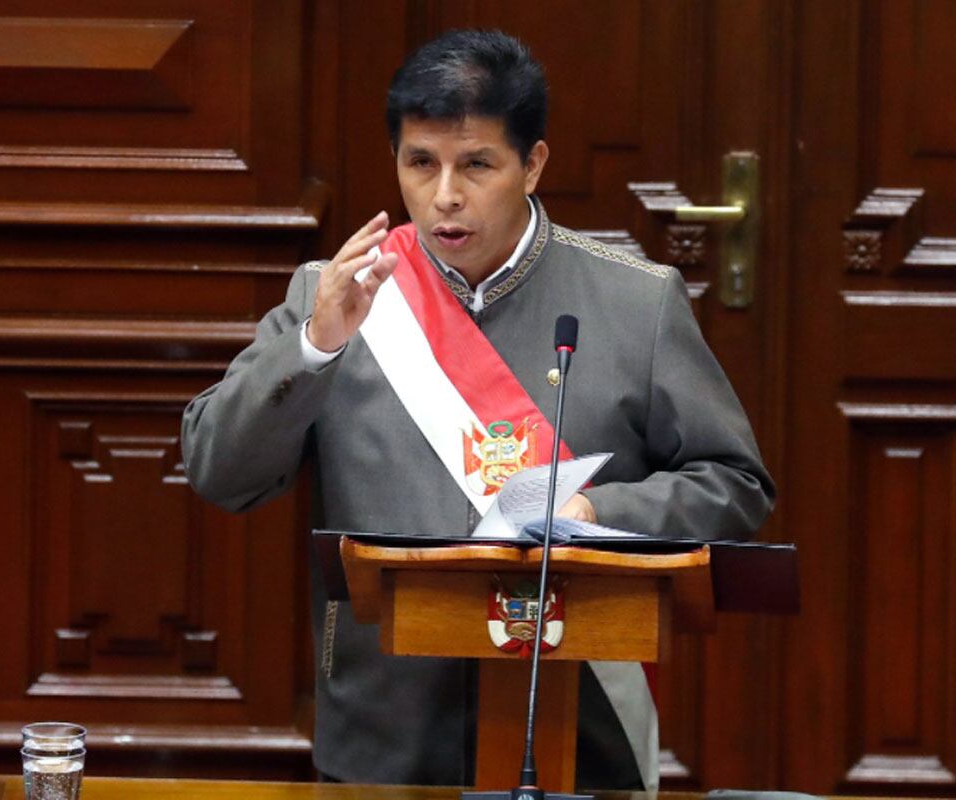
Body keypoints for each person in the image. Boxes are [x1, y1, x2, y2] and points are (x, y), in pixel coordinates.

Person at [181, 29, 774, 791]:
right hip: (384, 717)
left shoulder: (636, 300)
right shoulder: (335, 296)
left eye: (477, 165)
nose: (444, 196)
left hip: (580, 715)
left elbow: (735, 483)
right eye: (419, 164)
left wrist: (600, 512)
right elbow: (216, 470)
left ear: (533, 164)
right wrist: (316, 345)